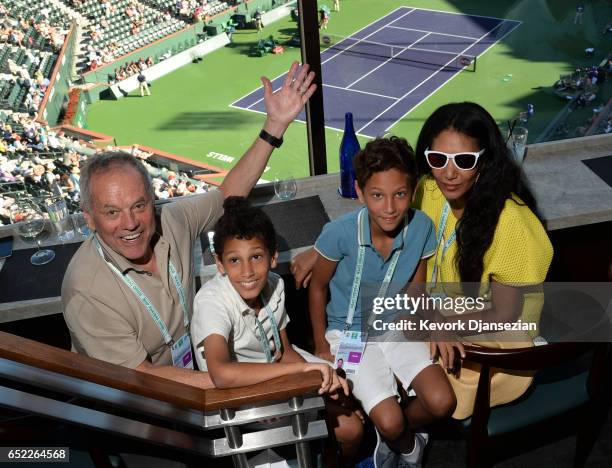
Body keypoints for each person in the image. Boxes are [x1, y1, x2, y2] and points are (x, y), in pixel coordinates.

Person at [61, 62, 317, 389]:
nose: (130, 223)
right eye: (112, 212)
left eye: (139, 206)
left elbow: (227, 193)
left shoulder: (172, 219)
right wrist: (241, 382)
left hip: (199, 373)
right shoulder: (87, 289)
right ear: (89, 218)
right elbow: (141, 377)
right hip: (134, 401)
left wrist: (275, 126)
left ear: (152, 201)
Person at [308, 137, 458, 467]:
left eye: (399, 194)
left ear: (414, 191)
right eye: (377, 195)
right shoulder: (339, 233)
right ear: (360, 193)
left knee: (443, 402)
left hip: (397, 325)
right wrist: (321, 344)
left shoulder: (422, 227)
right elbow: (317, 287)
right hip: (350, 336)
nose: (389, 207)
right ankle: (398, 436)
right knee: (390, 422)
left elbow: (417, 291)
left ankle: (391, 428)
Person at [191, 197, 364, 463]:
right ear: (220, 264)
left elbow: (284, 351)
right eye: (235, 260)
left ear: (272, 257)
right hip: (240, 396)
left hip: (279, 376)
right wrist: (303, 373)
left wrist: (323, 380)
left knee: (352, 425)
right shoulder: (211, 301)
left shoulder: (274, 285)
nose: (247, 271)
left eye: (256, 257)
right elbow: (222, 374)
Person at [412, 102, 554, 419]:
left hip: (499, 336)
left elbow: (503, 314)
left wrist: (441, 326)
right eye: (437, 159)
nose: (448, 173)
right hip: (443, 312)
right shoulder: (428, 189)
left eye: (463, 161)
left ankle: (407, 439)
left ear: (485, 161)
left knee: (430, 396)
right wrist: (325, 249)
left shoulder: (512, 225)